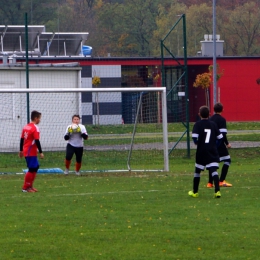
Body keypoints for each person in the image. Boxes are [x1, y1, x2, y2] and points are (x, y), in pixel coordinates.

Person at [188, 106, 223, 198]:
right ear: (209, 114)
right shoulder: (213, 124)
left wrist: (197, 143)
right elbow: (220, 138)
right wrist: (215, 145)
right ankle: (217, 191)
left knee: (197, 171)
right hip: (212, 150)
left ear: (199, 114)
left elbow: (195, 138)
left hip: (201, 151)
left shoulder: (198, 124)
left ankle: (195, 192)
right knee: (213, 170)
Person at [207, 102, 232, 187]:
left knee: (212, 163)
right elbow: (222, 134)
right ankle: (221, 181)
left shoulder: (210, 119)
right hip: (219, 144)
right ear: (222, 109)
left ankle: (210, 183)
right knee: (228, 160)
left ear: (214, 110)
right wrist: (227, 143)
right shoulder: (222, 120)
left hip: (210, 144)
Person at [19, 110, 44, 192]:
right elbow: (37, 141)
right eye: (39, 118)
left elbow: (22, 139)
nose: (40, 120)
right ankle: (25, 187)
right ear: (36, 118)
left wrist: (21, 150)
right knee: (32, 168)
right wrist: (41, 152)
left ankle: (30, 186)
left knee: (35, 167)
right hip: (30, 151)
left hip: (27, 150)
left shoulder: (26, 126)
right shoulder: (35, 128)